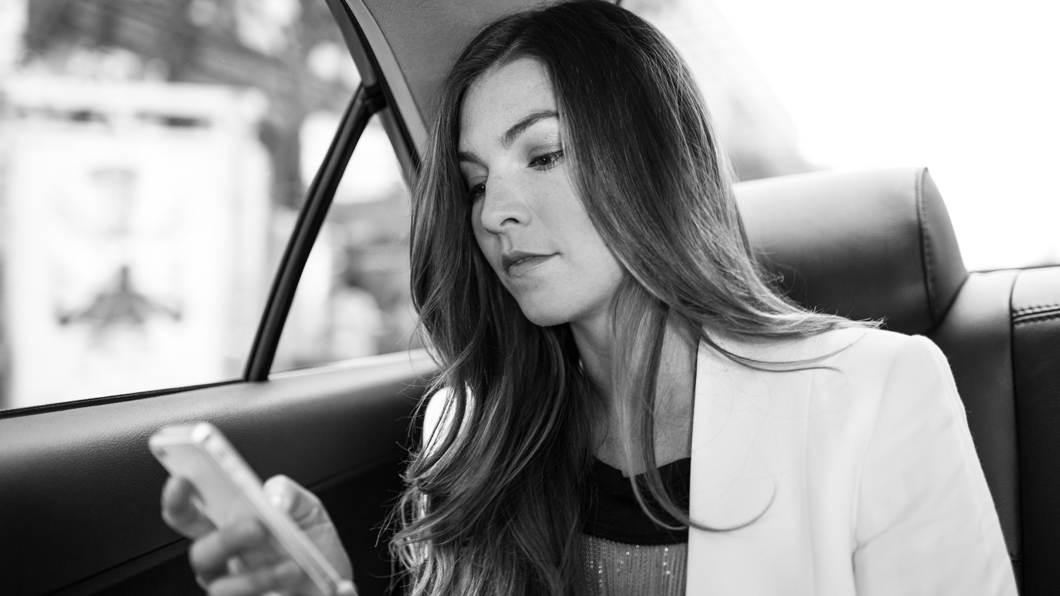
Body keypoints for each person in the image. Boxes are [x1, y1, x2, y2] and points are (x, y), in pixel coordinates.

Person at [161, 1, 1017, 595]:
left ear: (654, 163)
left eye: (542, 156)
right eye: (475, 182)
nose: (494, 212)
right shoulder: (467, 429)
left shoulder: (876, 392)